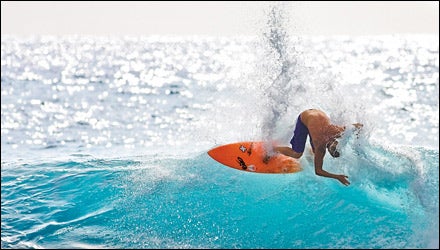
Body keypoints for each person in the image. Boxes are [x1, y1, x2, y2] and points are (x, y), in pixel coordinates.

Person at [274, 109, 363, 186]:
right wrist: (337, 177)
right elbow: (318, 171)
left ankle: (310, 151)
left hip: (316, 113)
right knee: (297, 154)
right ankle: (273, 149)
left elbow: (359, 126)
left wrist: (357, 143)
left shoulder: (338, 131)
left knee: (315, 151)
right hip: (304, 119)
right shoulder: (321, 147)